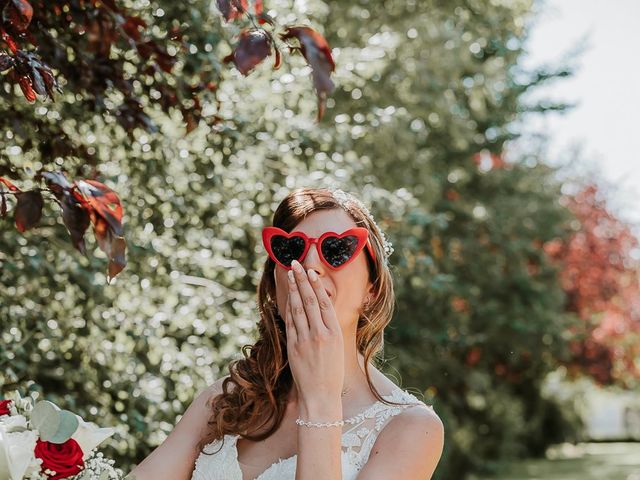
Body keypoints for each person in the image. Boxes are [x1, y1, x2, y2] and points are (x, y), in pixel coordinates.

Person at [127, 187, 444, 480]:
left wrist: (320, 399)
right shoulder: (227, 399)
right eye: (290, 249)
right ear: (275, 284)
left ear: (371, 290)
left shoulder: (411, 430)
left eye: (336, 249)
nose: (310, 265)